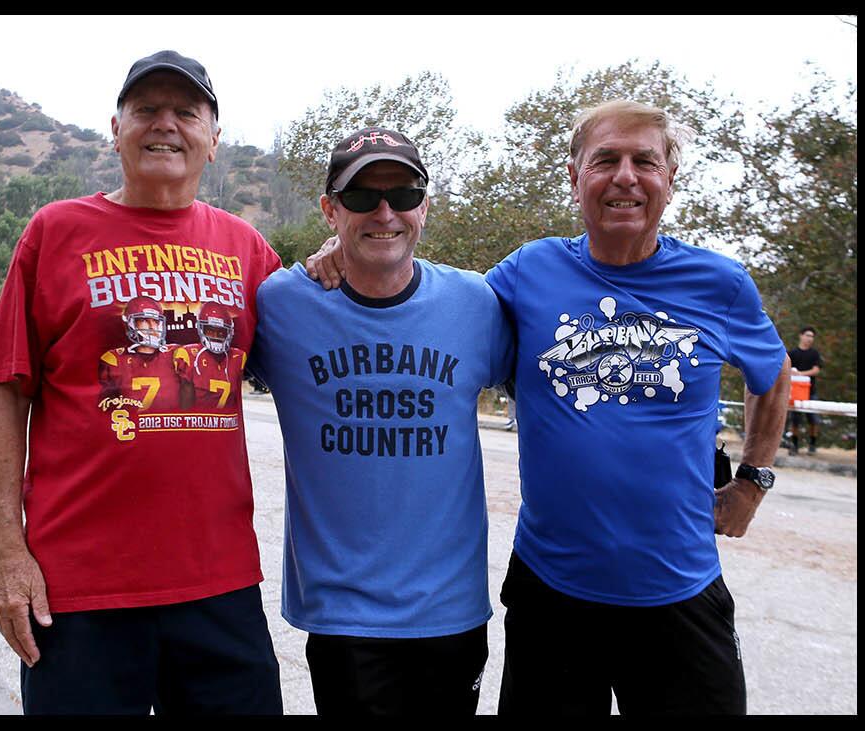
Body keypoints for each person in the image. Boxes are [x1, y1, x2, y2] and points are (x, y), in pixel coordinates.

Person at [306, 100, 792, 716]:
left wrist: (752, 479)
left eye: (645, 160)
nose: (625, 176)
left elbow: (772, 373)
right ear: (575, 176)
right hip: (552, 594)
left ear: (672, 176)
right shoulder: (529, 271)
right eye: (605, 160)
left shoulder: (719, 284)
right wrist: (345, 246)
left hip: (678, 589)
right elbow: (432, 297)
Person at [0, 49, 283, 716]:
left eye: (185, 111)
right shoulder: (54, 232)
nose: (164, 124)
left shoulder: (250, 252)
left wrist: (331, 262)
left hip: (219, 585)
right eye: (145, 109)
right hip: (80, 593)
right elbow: (5, 391)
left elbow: (310, 354)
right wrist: (9, 552)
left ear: (213, 137)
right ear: (115, 129)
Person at [251, 127, 513, 716]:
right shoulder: (280, 304)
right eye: (362, 196)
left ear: (425, 205)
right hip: (344, 613)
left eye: (403, 193)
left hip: (451, 609)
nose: (385, 211)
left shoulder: (476, 303)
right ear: (330, 208)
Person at [786, 326, 823, 455]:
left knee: (813, 419)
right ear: (801, 335)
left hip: (810, 392)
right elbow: (785, 368)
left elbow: (816, 370)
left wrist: (801, 374)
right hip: (795, 392)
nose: (809, 339)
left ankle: (812, 444)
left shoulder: (814, 353)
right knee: (795, 420)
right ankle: (794, 445)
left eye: (812, 336)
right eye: (807, 335)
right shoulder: (792, 353)